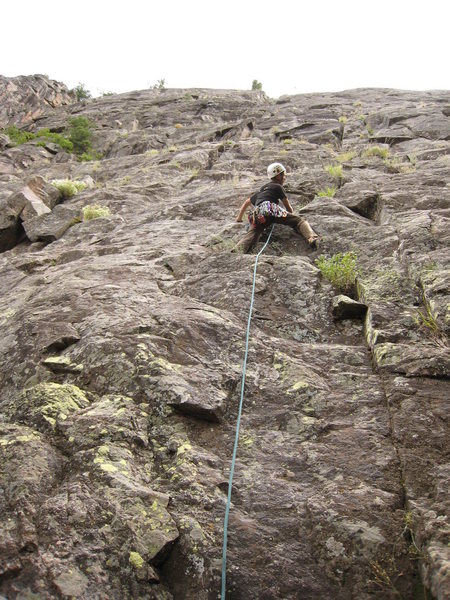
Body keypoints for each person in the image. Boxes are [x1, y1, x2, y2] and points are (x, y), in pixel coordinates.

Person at [234, 163, 319, 254]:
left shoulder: (262, 190)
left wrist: (239, 218)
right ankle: (311, 237)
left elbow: (247, 202)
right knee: (299, 220)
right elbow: (288, 208)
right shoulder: (278, 187)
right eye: (283, 175)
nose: (284, 177)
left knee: (254, 232)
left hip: (258, 214)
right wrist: (292, 215)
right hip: (270, 209)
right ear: (278, 176)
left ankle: (237, 251)